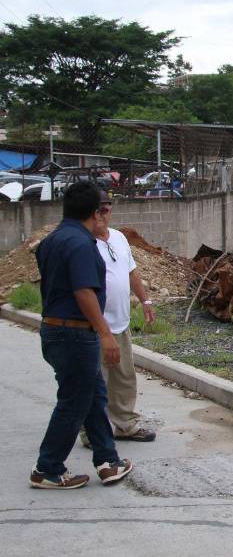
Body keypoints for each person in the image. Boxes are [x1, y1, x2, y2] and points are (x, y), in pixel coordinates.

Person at [31, 181, 133, 489]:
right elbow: (84, 292)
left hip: (54, 331)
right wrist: (106, 334)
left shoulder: (52, 241)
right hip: (75, 334)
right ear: (96, 212)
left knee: (92, 396)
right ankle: (47, 468)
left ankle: (107, 460)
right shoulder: (81, 244)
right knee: (74, 402)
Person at [80, 193, 156, 444]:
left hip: (121, 323)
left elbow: (132, 272)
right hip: (96, 326)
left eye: (106, 210)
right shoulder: (83, 243)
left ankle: (126, 424)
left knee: (124, 377)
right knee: (96, 380)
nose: (102, 215)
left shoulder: (119, 238)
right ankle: (93, 432)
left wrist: (145, 300)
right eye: (97, 210)